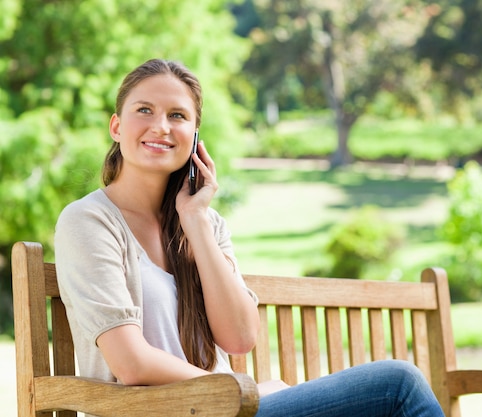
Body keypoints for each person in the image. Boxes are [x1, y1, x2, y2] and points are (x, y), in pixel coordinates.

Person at [55, 58, 444, 417]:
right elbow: (130, 362)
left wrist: (195, 221)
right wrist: (240, 390)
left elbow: (239, 338)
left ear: (194, 136)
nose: (161, 126)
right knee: (398, 386)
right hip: (185, 408)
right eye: (145, 110)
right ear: (117, 126)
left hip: (226, 407)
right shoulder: (89, 221)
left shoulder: (207, 224)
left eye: (178, 115)